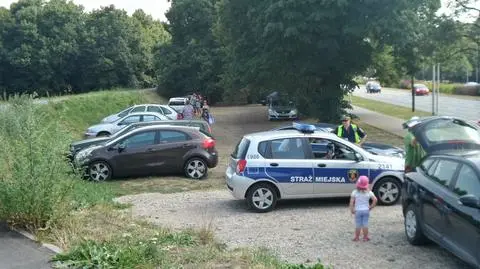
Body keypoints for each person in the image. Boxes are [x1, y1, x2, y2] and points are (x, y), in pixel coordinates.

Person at [349, 175, 378, 242]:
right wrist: (371, 207)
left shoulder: (354, 192)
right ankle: (365, 237)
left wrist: (352, 210)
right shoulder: (369, 192)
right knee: (365, 224)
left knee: (358, 224)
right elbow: (375, 200)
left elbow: (351, 202)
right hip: (366, 210)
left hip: (358, 211)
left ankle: (356, 237)